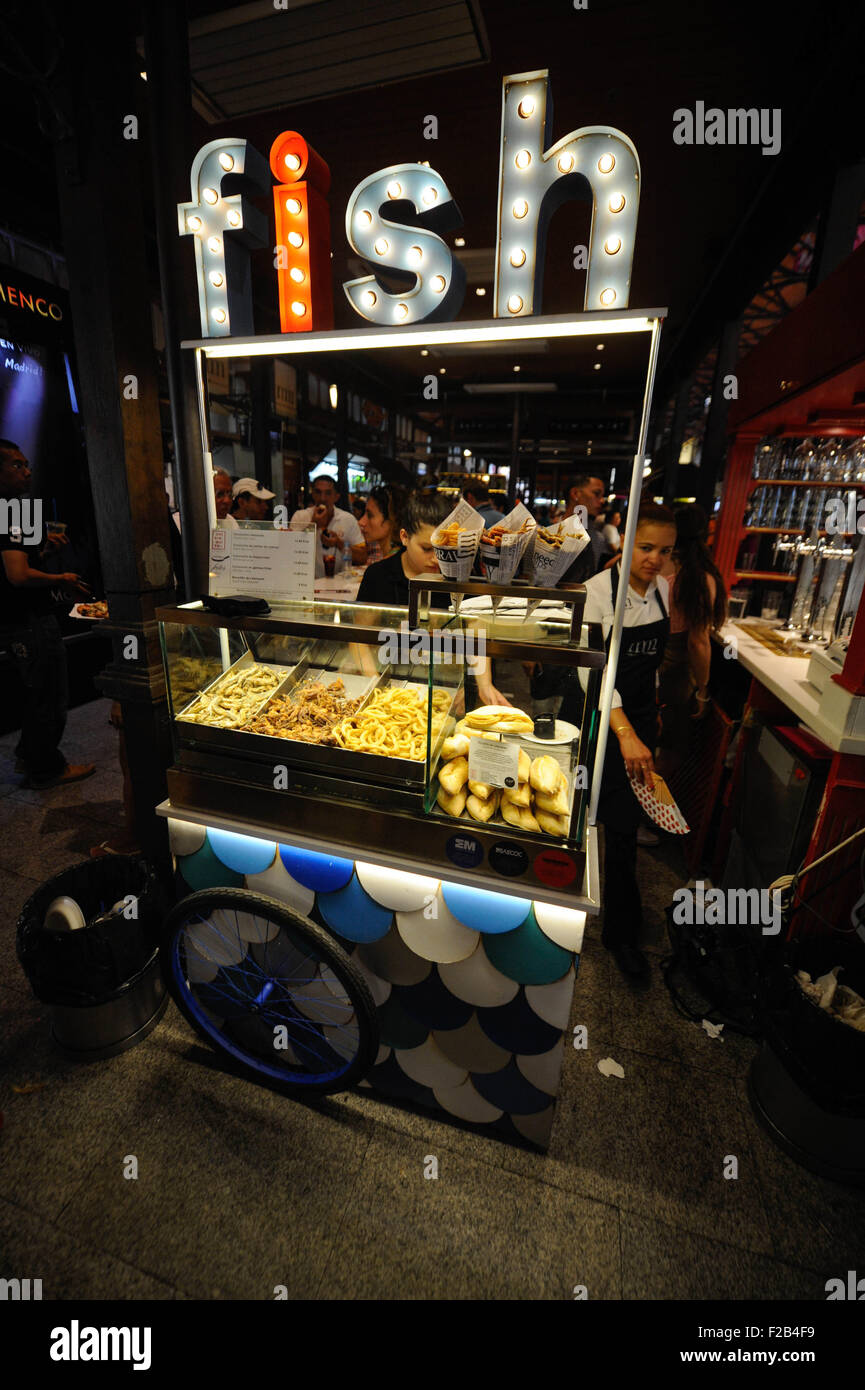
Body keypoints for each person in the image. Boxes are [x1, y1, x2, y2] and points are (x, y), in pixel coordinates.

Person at [570, 502, 676, 979]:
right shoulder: (596, 592)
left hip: (639, 721)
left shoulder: (665, 592)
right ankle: (559, 913)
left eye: (665, 551)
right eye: (646, 547)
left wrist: (651, 718)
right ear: (626, 544)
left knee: (623, 828)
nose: (654, 559)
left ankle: (620, 935)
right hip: (599, 717)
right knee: (581, 814)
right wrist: (625, 733)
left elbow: (649, 667)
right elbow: (594, 671)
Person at [0, 439, 95, 789]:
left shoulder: (14, 511)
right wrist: (62, 578)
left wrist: (40, 553)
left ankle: (30, 756)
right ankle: (46, 768)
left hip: (14, 620)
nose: (26, 472)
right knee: (49, 692)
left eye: (27, 465)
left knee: (37, 690)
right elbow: (17, 576)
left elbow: (17, 567)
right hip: (28, 621)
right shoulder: (9, 510)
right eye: (16, 466)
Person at [656, 504, 728, 782]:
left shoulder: (656, 564)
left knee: (647, 735)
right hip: (675, 667)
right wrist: (702, 690)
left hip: (647, 659)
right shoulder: (698, 577)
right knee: (673, 748)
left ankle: (634, 805)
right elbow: (698, 642)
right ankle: (652, 810)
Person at [289, 474, 363, 578]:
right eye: (318, 492)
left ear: (336, 497)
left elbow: (362, 557)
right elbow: (289, 552)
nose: (322, 498)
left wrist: (339, 543)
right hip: (306, 583)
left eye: (328, 493)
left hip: (339, 585)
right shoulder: (300, 516)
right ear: (313, 494)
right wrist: (313, 525)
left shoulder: (348, 519)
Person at [559, 473, 614, 584]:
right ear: (575, 494)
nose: (602, 500)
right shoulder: (549, 534)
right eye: (596, 494)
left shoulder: (598, 539)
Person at [358, 484, 402, 565]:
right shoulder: (401, 558)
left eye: (370, 515)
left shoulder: (390, 567)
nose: (361, 522)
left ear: (391, 519)